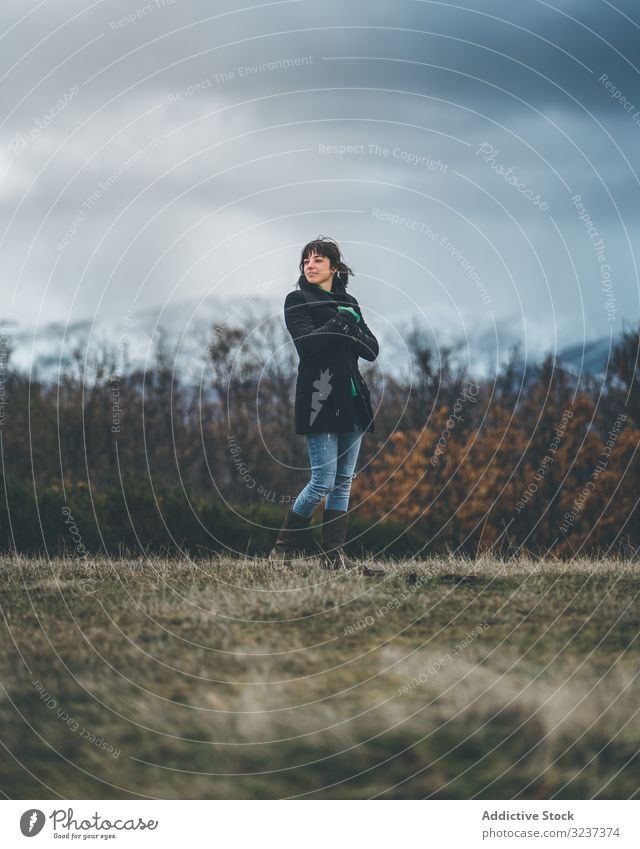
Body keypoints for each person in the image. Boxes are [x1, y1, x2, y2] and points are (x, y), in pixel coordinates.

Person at [268, 236, 380, 572]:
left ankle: (334, 557)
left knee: (343, 481)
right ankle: (281, 553)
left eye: (318, 260)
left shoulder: (350, 301)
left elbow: (371, 350)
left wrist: (351, 323)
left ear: (334, 266)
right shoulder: (297, 300)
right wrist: (342, 322)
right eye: (306, 261)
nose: (310, 266)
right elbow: (308, 345)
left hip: (353, 400)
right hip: (319, 399)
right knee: (322, 480)